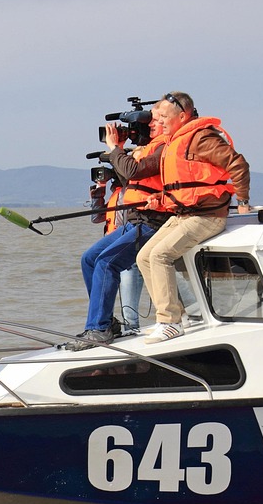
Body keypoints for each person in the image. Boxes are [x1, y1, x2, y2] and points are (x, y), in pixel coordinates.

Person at [136, 92, 251, 344]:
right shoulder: (176, 141)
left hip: (207, 215)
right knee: (144, 257)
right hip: (184, 214)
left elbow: (238, 165)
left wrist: (243, 202)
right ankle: (180, 316)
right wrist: (160, 198)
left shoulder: (201, 138)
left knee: (160, 255)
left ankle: (170, 322)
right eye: (158, 117)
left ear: (182, 116)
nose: (159, 121)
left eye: (164, 116)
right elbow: (185, 184)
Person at [74, 104, 170, 349]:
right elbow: (127, 178)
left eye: (155, 121)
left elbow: (134, 171)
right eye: (149, 122)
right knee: (89, 259)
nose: (150, 125)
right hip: (133, 222)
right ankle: (106, 322)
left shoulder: (166, 147)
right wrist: (119, 150)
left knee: (107, 263)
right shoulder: (146, 149)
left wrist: (115, 148)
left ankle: (98, 329)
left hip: (152, 221)